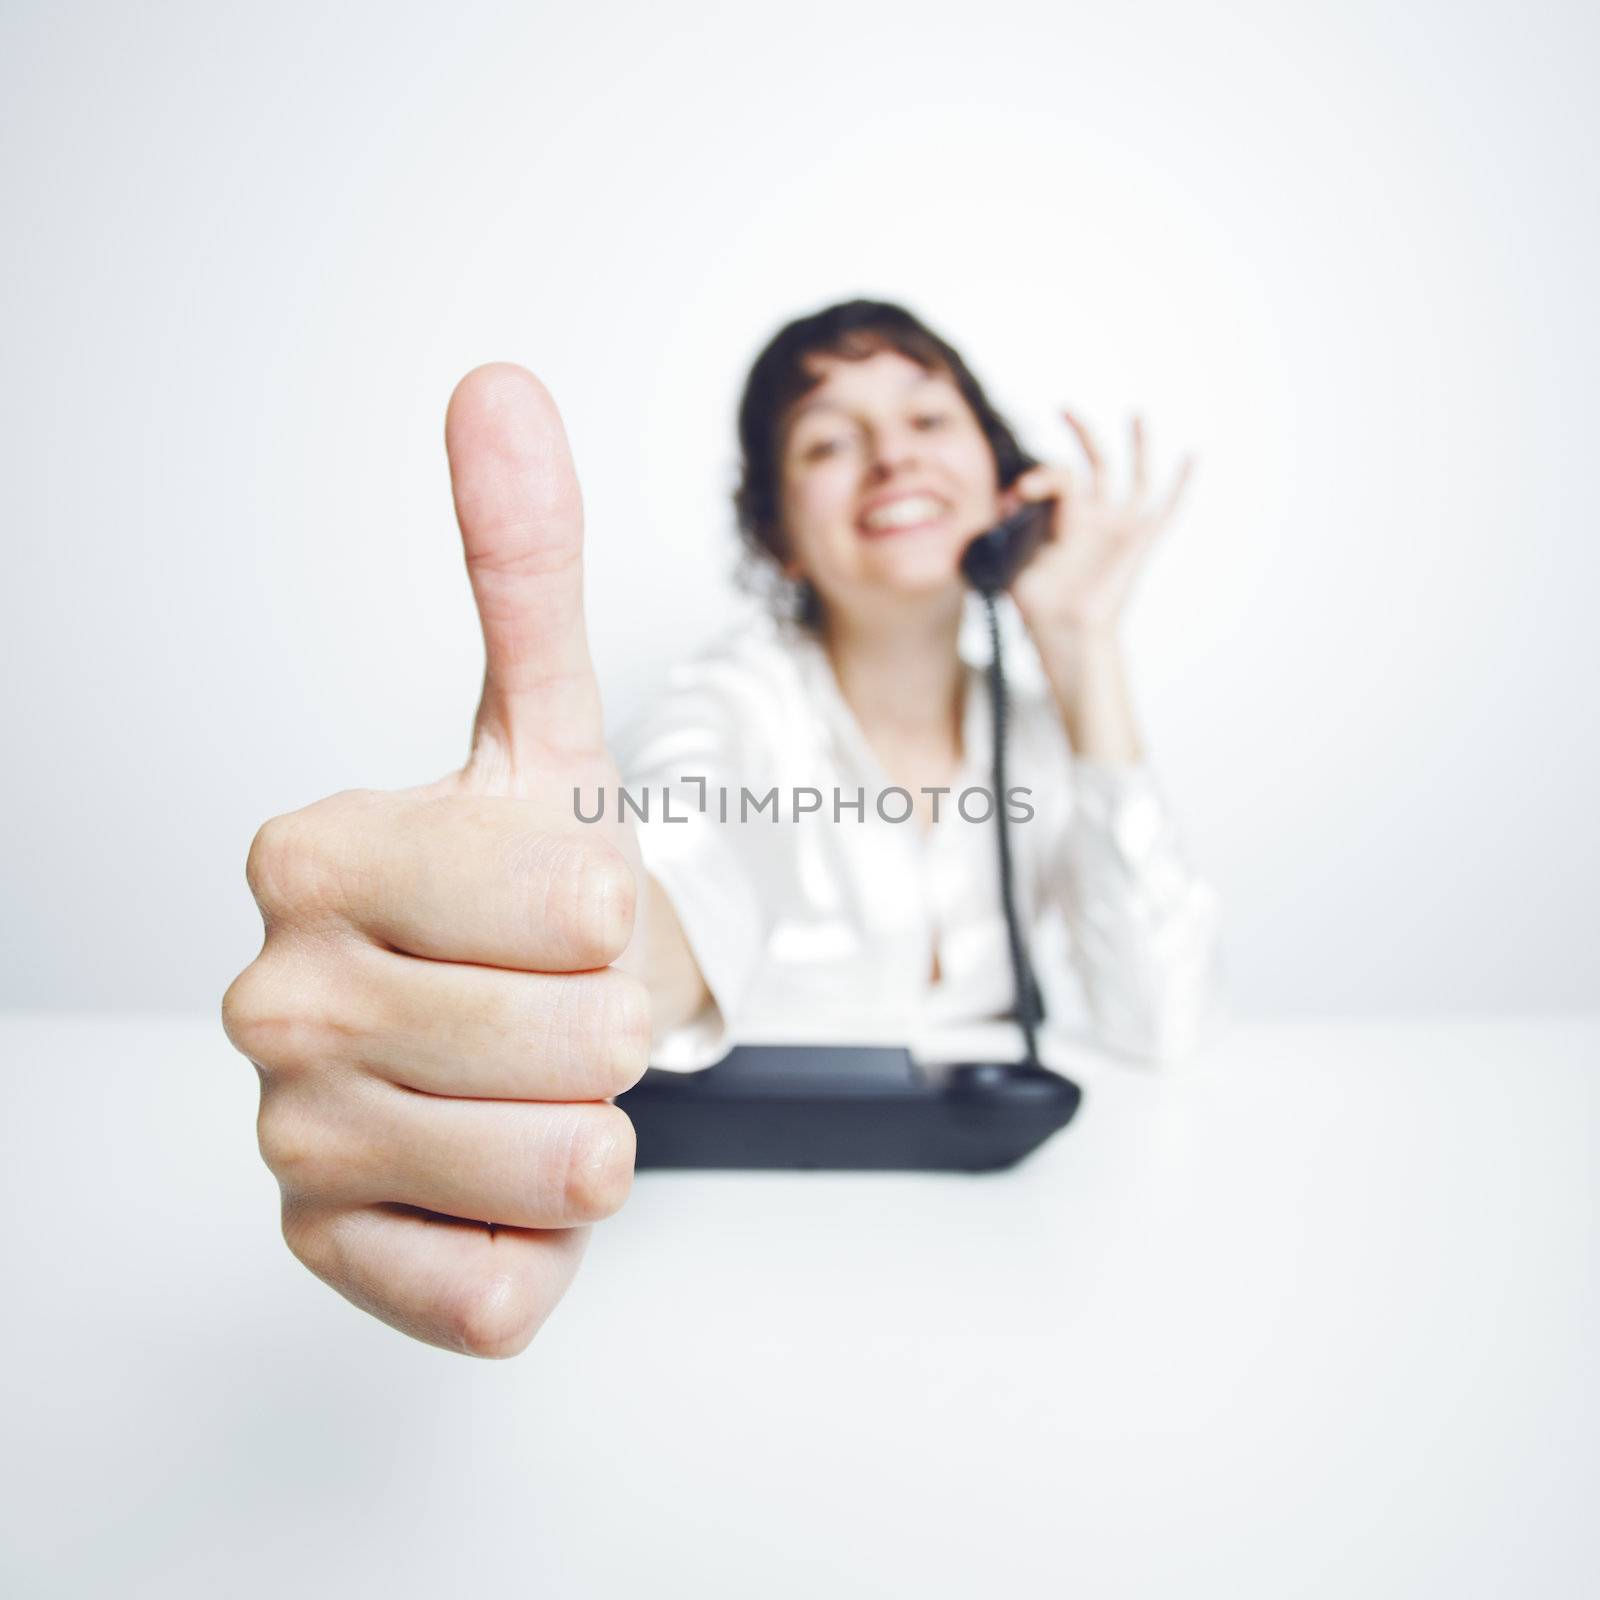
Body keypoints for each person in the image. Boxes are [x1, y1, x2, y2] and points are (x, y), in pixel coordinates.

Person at [221, 299, 1221, 1360]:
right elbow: (692, 858)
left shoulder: (1042, 734)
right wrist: (594, 958)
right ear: (780, 535)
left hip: (1024, 1285)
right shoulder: (734, 704)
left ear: (1005, 485)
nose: (891, 457)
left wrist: (1083, 648)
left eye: (930, 420)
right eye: (830, 440)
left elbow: (1158, 1019)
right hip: (740, 1277)